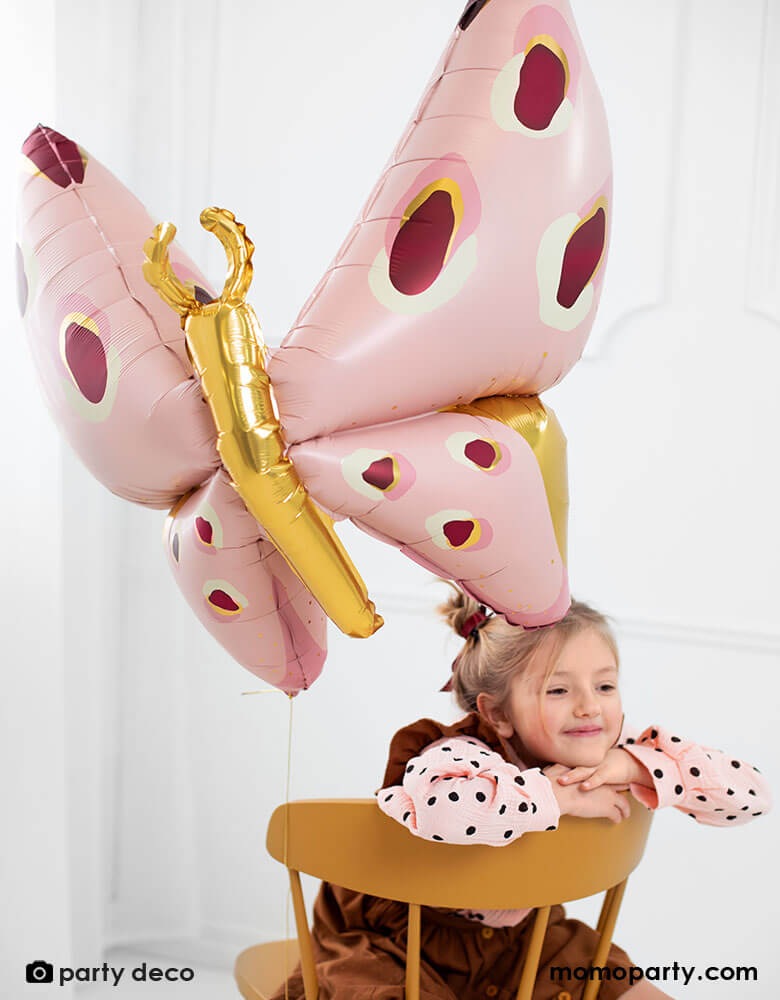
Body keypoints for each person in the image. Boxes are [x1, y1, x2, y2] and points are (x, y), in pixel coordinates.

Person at [271, 589, 771, 1000]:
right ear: (499, 715)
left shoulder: (614, 756)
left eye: (605, 687)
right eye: (558, 691)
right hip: (399, 944)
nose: (588, 708)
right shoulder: (457, 754)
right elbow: (444, 809)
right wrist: (556, 796)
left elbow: (751, 795)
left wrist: (638, 763)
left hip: (523, 943)